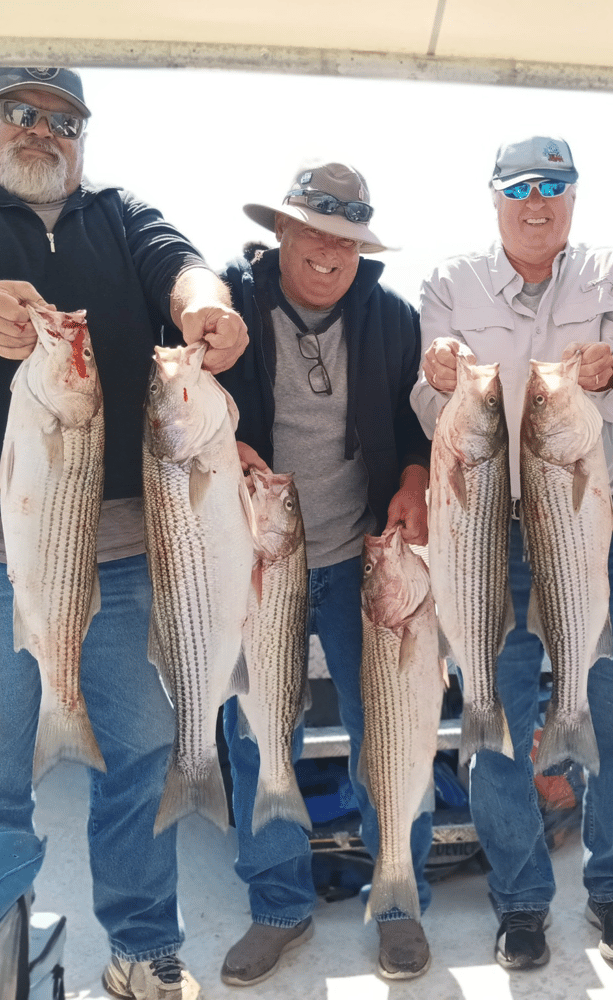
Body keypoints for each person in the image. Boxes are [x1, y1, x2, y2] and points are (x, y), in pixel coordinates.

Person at [0, 67, 248, 1000]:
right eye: (21, 113)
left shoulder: (119, 211)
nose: (42, 130)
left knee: (143, 759)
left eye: (62, 119)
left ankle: (143, 949)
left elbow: (182, 264)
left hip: (133, 552)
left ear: (84, 136)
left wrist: (205, 307)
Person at [411, 135, 613, 971]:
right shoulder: (449, 282)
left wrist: (604, 376)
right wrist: (438, 378)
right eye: (520, 187)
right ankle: (520, 903)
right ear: (495, 198)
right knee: (496, 727)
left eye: (554, 185)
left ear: (575, 194)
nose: (538, 200)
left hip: (591, 527)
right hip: (483, 533)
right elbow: (424, 405)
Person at [215, 161, 432, 983]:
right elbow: (181, 409)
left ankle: (399, 900)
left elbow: (418, 438)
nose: (328, 253)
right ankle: (277, 907)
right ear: (280, 231)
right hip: (260, 559)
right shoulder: (228, 306)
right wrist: (219, 450)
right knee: (257, 732)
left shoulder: (394, 319)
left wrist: (412, 482)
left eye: (346, 240)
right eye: (312, 231)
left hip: (357, 557)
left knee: (392, 731)